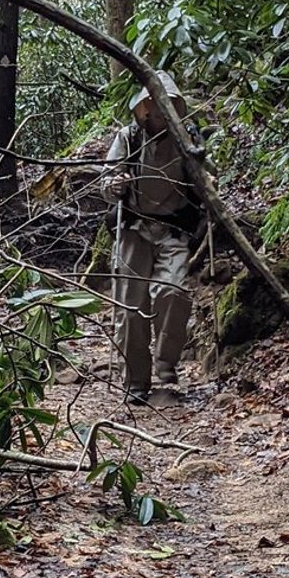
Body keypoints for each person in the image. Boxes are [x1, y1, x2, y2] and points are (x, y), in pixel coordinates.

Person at [107, 77, 198, 404]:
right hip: (134, 229)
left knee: (172, 292)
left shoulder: (187, 140)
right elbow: (107, 180)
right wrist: (116, 184)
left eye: (169, 106)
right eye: (158, 106)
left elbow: (205, 177)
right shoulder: (128, 139)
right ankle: (135, 382)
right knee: (131, 310)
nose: (163, 112)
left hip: (173, 230)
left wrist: (207, 179)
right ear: (146, 109)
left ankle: (165, 361)